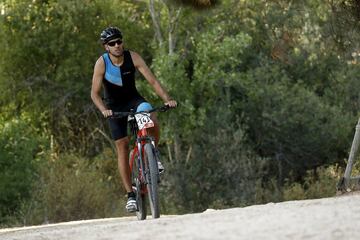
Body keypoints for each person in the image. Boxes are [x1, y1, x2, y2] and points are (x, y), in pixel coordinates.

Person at [91, 27, 177, 212]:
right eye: (112, 43)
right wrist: (104, 110)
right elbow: (94, 94)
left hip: (134, 100)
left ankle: (152, 152)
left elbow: (152, 81)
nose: (117, 46)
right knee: (122, 146)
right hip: (113, 107)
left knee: (150, 117)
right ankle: (130, 194)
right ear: (106, 47)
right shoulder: (102, 63)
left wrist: (167, 99)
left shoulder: (133, 57)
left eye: (119, 41)